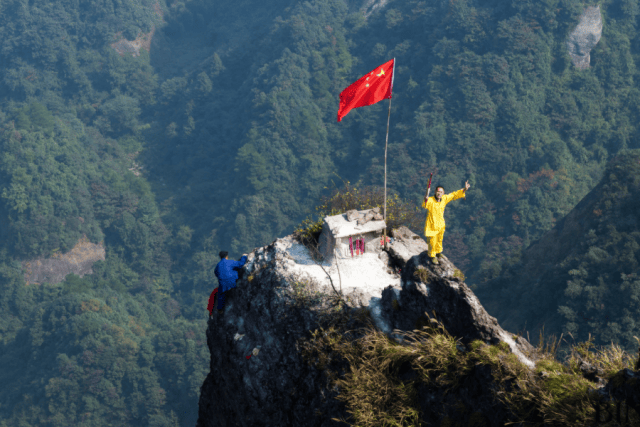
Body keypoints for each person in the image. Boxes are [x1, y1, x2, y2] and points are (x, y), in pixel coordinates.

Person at [422, 181, 471, 264]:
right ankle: (432, 256)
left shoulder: (444, 199)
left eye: (441, 192)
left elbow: (453, 195)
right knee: (432, 241)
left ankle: (438, 252)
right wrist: (425, 199)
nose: (439, 193)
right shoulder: (430, 200)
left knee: (439, 240)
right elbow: (425, 204)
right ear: (435, 192)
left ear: (443, 193)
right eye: (438, 191)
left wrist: (464, 190)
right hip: (432, 225)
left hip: (440, 224)